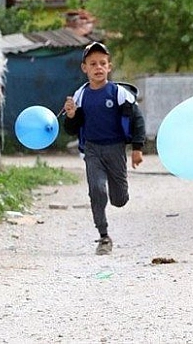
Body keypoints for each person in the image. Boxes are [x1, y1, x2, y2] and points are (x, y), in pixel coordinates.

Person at [63, 42, 146, 255]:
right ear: (85, 68)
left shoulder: (118, 93)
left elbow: (137, 120)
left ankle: (116, 191)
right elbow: (72, 129)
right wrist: (71, 116)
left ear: (109, 67)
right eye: (93, 64)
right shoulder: (80, 96)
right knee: (97, 190)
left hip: (115, 149)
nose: (98, 67)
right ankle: (103, 236)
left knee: (119, 200)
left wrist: (137, 148)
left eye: (102, 63)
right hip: (92, 150)